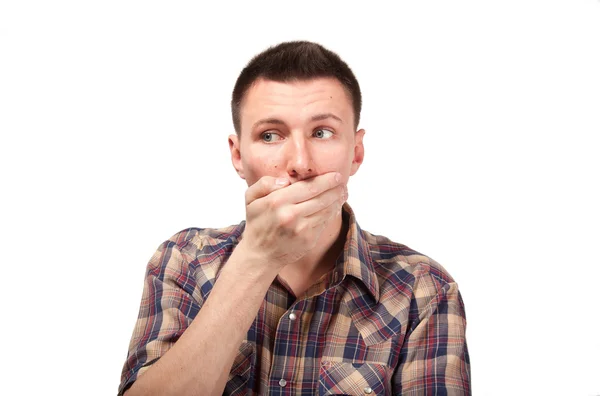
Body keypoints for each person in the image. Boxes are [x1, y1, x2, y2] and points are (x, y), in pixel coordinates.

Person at [118, 40, 471, 396]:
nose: (300, 164)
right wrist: (258, 257)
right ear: (239, 156)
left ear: (356, 152)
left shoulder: (423, 289)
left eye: (322, 133)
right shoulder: (183, 261)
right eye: (270, 135)